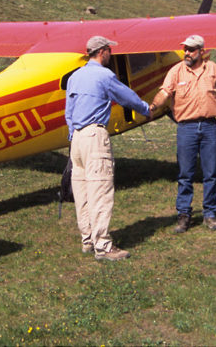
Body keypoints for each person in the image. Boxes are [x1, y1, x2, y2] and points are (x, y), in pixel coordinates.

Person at [65, 35, 150, 262]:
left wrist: (73, 135)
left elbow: (69, 112)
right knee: (100, 190)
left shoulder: (75, 77)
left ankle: (87, 240)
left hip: (77, 140)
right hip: (94, 136)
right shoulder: (104, 75)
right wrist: (146, 108)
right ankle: (103, 246)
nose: (111, 55)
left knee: (82, 193)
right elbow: (127, 97)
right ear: (102, 52)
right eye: (109, 51)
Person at [149, 34, 216, 233]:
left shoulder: (214, 69)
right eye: (185, 49)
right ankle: (184, 215)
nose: (187, 52)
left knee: (211, 172)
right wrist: (152, 107)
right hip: (186, 128)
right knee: (185, 174)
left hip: (209, 127)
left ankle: (210, 214)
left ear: (201, 51)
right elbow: (164, 93)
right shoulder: (176, 71)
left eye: (191, 49)